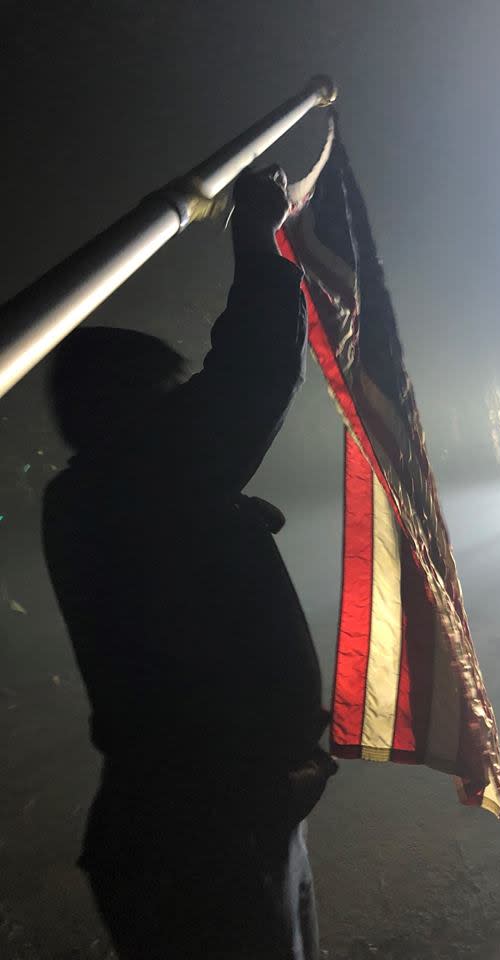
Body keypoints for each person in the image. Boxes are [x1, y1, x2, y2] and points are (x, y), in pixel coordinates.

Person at [42, 167, 337, 960]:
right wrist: (260, 229)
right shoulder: (135, 483)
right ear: (133, 411)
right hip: (204, 838)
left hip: (219, 820)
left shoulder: (96, 499)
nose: (188, 407)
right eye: (170, 395)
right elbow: (255, 368)